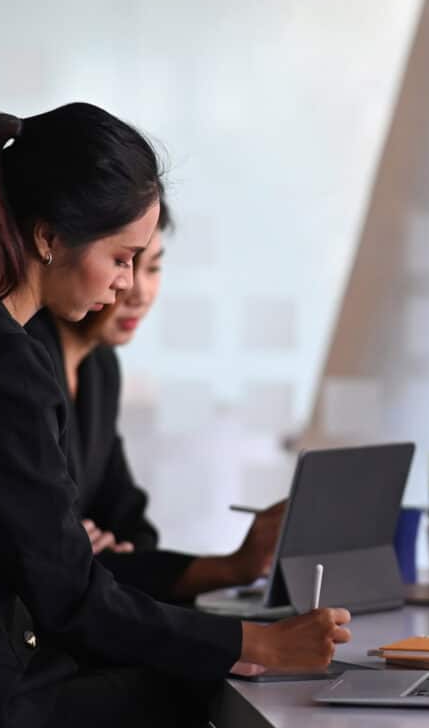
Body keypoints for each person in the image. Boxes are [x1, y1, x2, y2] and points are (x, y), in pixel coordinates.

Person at [0, 103, 349, 728]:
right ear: (46, 238)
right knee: (196, 723)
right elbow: (69, 598)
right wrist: (254, 644)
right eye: (122, 258)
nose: (127, 286)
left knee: (176, 703)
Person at [24, 215, 283, 600]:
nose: (137, 291)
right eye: (121, 261)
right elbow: (53, 559)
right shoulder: (25, 361)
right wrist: (232, 568)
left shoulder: (101, 367)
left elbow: (130, 522)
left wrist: (114, 552)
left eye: (154, 267)